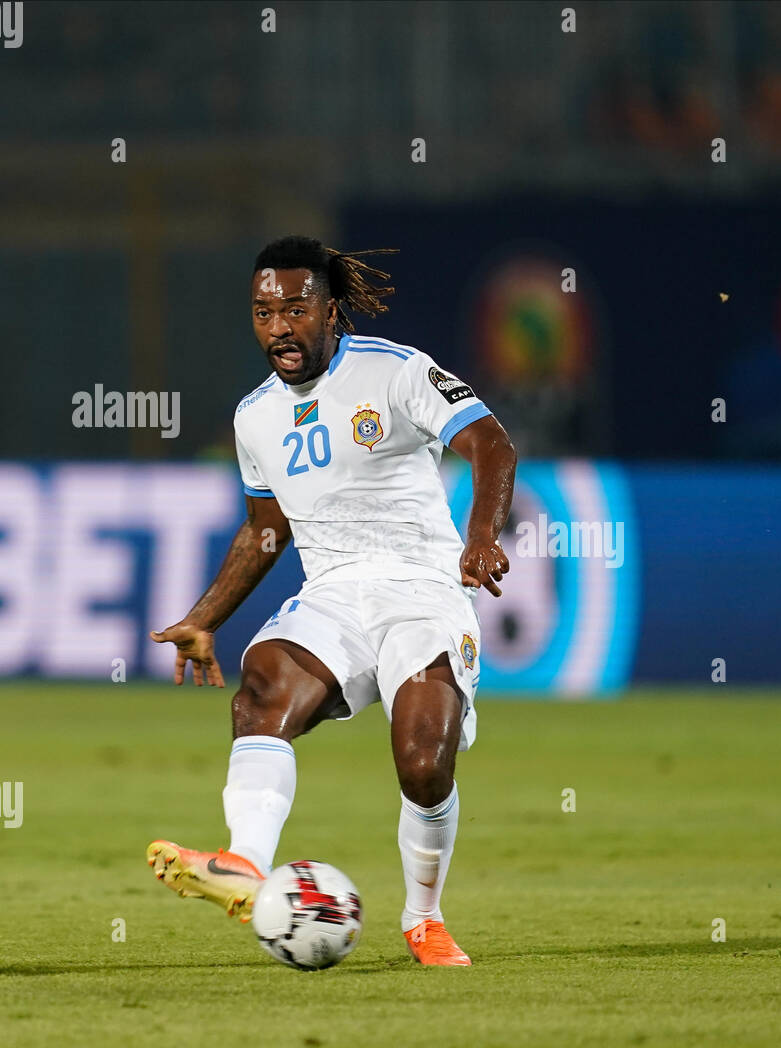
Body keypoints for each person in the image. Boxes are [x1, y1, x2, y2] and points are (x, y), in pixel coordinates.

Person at [146, 235, 516, 966]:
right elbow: (265, 531)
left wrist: (480, 537)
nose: (278, 326)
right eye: (262, 312)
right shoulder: (254, 418)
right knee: (260, 692)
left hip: (424, 588)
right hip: (335, 594)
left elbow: (491, 444)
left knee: (422, 761)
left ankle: (424, 917)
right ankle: (245, 864)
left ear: (330, 310)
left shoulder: (396, 370)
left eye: (294, 307)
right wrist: (203, 618)